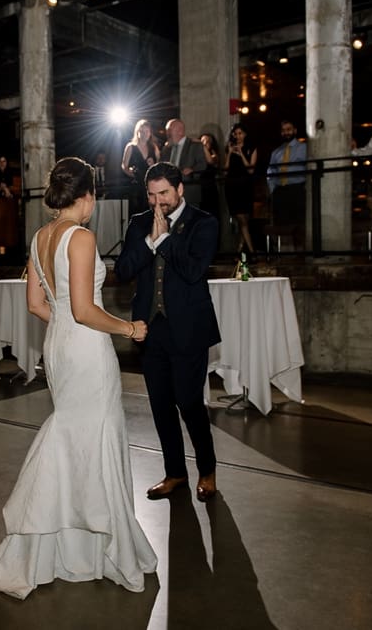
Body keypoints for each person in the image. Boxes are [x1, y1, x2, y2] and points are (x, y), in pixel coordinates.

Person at [0, 156, 157, 600]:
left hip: (58, 347)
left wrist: (65, 323)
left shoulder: (41, 236)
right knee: (94, 439)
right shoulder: (80, 237)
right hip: (84, 350)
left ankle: (65, 544)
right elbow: (84, 309)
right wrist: (130, 328)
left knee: (74, 437)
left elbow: (39, 305)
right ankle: (100, 546)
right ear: (88, 195)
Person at [114, 162, 221, 503]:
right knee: (160, 406)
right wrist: (149, 241)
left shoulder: (204, 223)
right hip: (151, 330)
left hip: (189, 329)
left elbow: (193, 271)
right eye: (151, 194)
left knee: (189, 403)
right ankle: (175, 472)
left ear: (179, 190)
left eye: (163, 194)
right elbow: (123, 270)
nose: (157, 201)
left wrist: (165, 240)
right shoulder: (138, 223)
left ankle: (207, 470)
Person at [223, 122, 259, 257]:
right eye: (235, 134)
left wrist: (241, 153)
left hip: (246, 186)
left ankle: (238, 253)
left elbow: (250, 169)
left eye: (240, 133)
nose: (238, 136)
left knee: (245, 221)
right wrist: (230, 153)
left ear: (245, 134)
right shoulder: (229, 148)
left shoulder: (252, 148)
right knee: (242, 221)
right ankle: (252, 252)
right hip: (232, 186)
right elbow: (225, 171)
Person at [266, 119, 308, 223]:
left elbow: (309, 167)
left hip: (297, 190)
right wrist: (273, 190)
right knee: (282, 226)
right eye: (283, 130)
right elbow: (271, 172)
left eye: (289, 129)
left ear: (295, 131)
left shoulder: (304, 148)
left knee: (299, 225)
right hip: (280, 192)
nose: (286, 133)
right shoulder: (276, 152)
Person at [160, 118, 207, 206]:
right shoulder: (166, 148)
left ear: (180, 131)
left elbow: (202, 165)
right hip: (169, 194)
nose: (167, 133)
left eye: (170, 130)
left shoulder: (195, 145)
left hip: (189, 192)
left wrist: (192, 170)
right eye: (167, 131)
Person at [121, 119, 160, 216]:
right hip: (136, 186)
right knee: (136, 213)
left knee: (150, 212)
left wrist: (153, 164)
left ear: (150, 133)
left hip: (150, 186)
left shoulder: (154, 147)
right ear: (137, 132)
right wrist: (131, 173)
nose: (144, 134)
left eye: (147, 131)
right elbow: (124, 166)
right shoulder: (131, 147)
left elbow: (159, 167)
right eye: (141, 131)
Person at [198, 132, 222, 219]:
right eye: (202, 141)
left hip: (210, 188)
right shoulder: (197, 156)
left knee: (212, 213)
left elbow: (210, 161)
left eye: (207, 141)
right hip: (199, 188)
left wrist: (202, 146)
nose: (204, 143)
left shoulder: (214, 154)